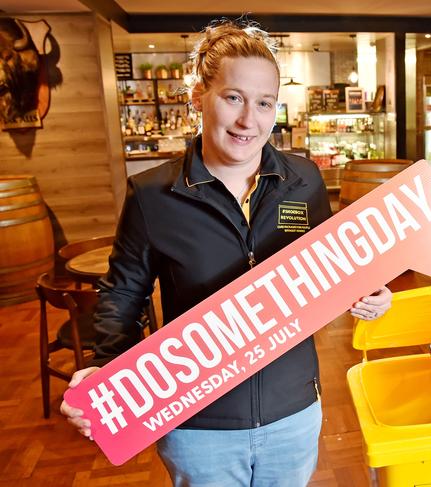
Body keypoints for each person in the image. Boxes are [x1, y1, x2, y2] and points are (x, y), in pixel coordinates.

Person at [60, 20, 391, 487]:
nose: (248, 120)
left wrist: (369, 292)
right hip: (198, 424)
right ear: (199, 96)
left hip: (292, 411)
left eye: (264, 103)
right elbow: (124, 293)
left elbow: (334, 268)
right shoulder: (153, 194)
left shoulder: (305, 180)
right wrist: (104, 369)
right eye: (233, 97)